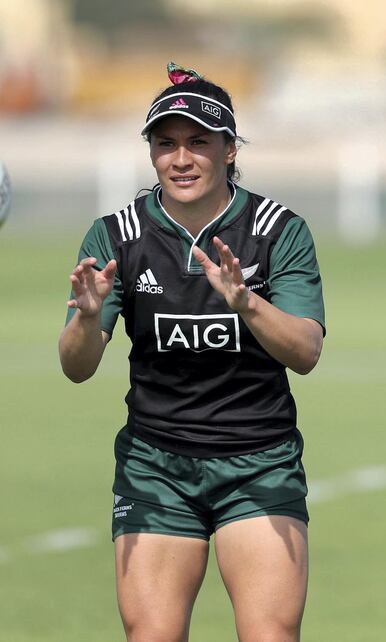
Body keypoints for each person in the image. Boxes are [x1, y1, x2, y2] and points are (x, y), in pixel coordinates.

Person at [58, 62, 325, 642]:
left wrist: (247, 305)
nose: (181, 158)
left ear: (230, 150)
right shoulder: (117, 236)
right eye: (166, 143)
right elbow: (76, 367)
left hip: (258, 462)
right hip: (156, 467)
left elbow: (305, 351)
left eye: (198, 142)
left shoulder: (278, 230)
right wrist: (85, 316)